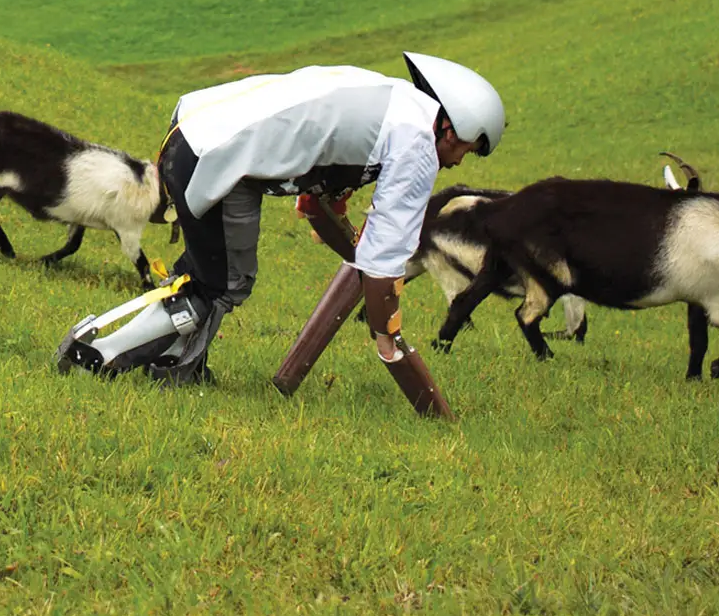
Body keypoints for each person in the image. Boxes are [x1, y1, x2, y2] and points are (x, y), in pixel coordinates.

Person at [58, 53, 504, 386]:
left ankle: (176, 368)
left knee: (219, 277)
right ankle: (97, 354)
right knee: (219, 282)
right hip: (215, 158)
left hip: (203, 141)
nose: (461, 161)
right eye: (468, 147)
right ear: (452, 126)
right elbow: (383, 257)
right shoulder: (416, 141)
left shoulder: (395, 103)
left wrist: (358, 256)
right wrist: (388, 332)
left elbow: (317, 206)